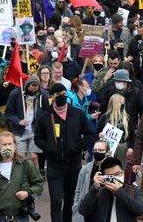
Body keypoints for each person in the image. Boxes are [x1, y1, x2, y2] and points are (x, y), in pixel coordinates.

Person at [34, 83, 94, 222]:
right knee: (56, 201)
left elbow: (89, 134)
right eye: (58, 94)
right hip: (54, 166)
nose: (61, 97)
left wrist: (79, 147)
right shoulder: (45, 116)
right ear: (52, 97)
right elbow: (38, 138)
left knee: (70, 201)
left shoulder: (77, 114)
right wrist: (49, 148)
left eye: (64, 94)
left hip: (73, 164)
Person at [0, 131, 45, 222]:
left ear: (15, 145)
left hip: (20, 217)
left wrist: (28, 193)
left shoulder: (26, 165)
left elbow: (39, 184)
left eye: (10, 144)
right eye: (4, 144)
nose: (7, 147)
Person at [78, 157, 143, 222]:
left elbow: (140, 210)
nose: (115, 178)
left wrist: (119, 191)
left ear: (123, 172)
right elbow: (83, 210)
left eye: (118, 174)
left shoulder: (133, 190)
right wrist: (94, 188)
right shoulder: (99, 192)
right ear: (104, 177)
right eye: (111, 176)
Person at [4, 75, 48, 165]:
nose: (34, 89)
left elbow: (46, 112)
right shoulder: (15, 94)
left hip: (35, 130)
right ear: (27, 85)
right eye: (32, 86)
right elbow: (8, 113)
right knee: (21, 157)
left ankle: (36, 177)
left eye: (37, 86)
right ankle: (21, 177)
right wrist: (18, 121)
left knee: (33, 156)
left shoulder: (42, 95)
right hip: (19, 131)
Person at [72, 140, 111, 222]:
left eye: (100, 150)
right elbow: (78, 191)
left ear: (108, 152)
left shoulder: (113, 169)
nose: (97, 152)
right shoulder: (85, 169)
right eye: (95, 150)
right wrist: (75, 207)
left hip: (106, 213)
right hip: (88, 213)